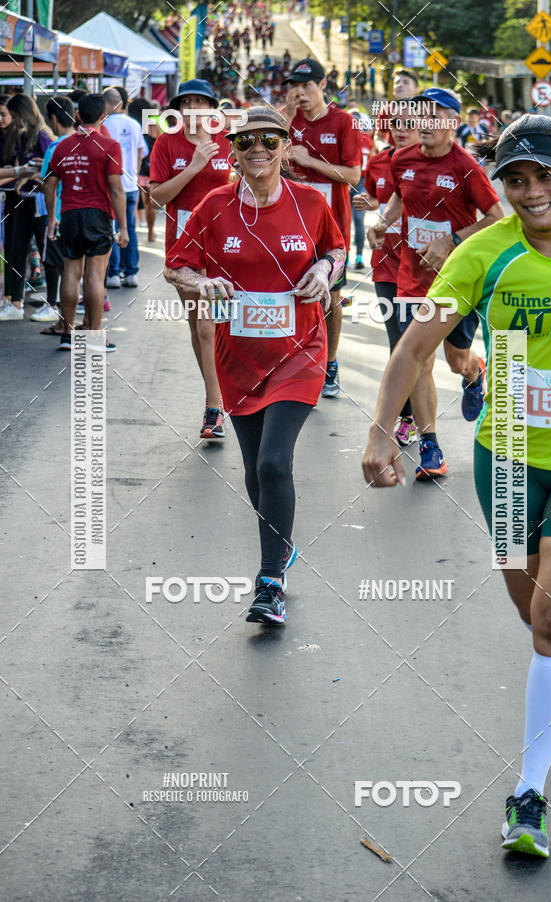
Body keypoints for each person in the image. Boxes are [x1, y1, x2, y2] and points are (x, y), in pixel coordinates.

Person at [363, 113, 551, 860]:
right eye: (516, 179)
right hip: (509, 454)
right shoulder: (482, 254)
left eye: (546, 175)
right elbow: (417, 343)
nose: (532, 192)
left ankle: (527, 794)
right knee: (532, 609)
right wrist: (378, 430)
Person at [164, 107, 346, 624]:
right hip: (238, 357)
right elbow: (176, 266)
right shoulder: (214, 205)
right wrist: (203, 284)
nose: (257, 150)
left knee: (272, 462)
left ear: (286, 147)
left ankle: (270, 582)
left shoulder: (310, 202)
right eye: (246, 142)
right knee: (252, 471)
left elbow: (337, 249)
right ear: (234, 151)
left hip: (301, 353)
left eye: (269, 139)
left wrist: (325, 270)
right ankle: (280, 544)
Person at [370, 87, 504, 478]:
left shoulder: (465, 166)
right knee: (419, 360)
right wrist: (383, 223)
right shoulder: (402, 158)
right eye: (419, 115)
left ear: (453, 123)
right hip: (413, 279)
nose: (424, 123)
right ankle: (431, 446)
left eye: (434, 116)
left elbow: (496, 217)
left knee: (454, 359)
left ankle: (475, 371)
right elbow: (399, 197)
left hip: (458, 280)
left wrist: (452, 240)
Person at [149, 78, 231, 440]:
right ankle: (215, 402)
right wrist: (195, 166)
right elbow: (157, 197)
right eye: (186, 103)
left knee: (211, 326)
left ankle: (217, 402)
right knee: (200, 327)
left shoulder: (229, 140)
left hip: (226, 244)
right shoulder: (167, 143)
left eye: (201, 102)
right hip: (184, 247)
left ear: (213, 108)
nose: (193, 109)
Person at [284, 58, 361, 398]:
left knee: (331, 295)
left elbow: (354, 176)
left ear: (323, 85)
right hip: (292, 223)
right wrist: (284, 119)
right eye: (295, 85)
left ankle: (330, 362)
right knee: (288, 290)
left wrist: (309, 161)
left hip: (333, 226)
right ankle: (293, 361)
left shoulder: (344, 122)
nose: (300, 92)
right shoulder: (288, 119)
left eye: (308, 85)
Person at [44, 93, 128, 352]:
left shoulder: (62, 146)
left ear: (78, 115)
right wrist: (124, 227)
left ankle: (67, 335)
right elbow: (116, 189)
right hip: (98, 216)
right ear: (104, 117)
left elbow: (49, 184)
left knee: (70, 273)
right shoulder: (110, 146)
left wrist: (51, 219)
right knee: (95, 277)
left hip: (69, 214)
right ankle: (93, 337)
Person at [357, 113, 420, 445]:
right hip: (385, 263)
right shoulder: (380, 161)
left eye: (408, 124)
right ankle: (406, 418)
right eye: (397, 124)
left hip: (420, 265)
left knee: (438, 349)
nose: (402, 130)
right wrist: (365, 203)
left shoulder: (430, 166)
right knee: (399, 343)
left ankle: (470, 368)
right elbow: (373, 196)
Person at [0, 94, 54, 321]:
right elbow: (23, 168)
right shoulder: (21, 137)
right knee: (15, 249)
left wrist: (30, 175)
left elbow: (51, 173)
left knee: (47, 254)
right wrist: (23, 175)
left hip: (41, 203)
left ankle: (53, 304)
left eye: (13, 115)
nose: (13, 120)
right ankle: (15, 302)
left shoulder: (42, 136)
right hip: (22, 200)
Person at [31, 95, 77, 329]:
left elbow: (49, 184)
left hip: (58, 215)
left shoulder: (54, 147)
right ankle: (82, 325)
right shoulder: (84, 143)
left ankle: (59, 319)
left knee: (56, 266)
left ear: (52, 119)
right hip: (80, 216)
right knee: (77, 271)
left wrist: (51, 219)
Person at [102, 86, 145, 288]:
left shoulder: (104, 125)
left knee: (113, 227)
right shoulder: (134, 124)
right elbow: (139, 152)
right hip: (131, 184)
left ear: (108, 104)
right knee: (130, 227)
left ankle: (113, 273)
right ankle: (131, 273)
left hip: (113, 185)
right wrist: (134, 176)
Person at [129, 97, 159, 243]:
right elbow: (160, 142)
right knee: (150, 203)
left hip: (136, 168)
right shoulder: (152, 124)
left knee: (136, 200)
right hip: (152, 168)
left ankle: (132, 228)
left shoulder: (132, 124)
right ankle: (150, 232)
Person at [349, 109, 374, 271]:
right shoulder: (365, 139)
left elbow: (372, 161)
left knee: (356, 221)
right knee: (348, 221)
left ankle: (357, 256)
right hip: (349, 182)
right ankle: (348, 256)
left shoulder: (365, 139)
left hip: (357, 182)